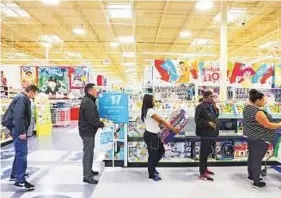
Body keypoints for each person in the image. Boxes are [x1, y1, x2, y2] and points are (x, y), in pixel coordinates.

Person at [243, 89, 281, 188]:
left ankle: (251, 176)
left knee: (252, 158)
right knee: (257, 160)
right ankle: (256, 182)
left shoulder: (247, 108)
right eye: (263, 100)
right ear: (257, 100)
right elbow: (267, 125)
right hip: (260, 138)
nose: (265, 102)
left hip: (251, 136)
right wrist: (279, 125)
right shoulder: (258, 112)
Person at [3, 85, 38, 190]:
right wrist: (22, 131)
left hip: (16, 128)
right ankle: (20, 181)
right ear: (31, 91)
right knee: (22, 153)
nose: (34, 95)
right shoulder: (22, 98)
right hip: (18, 129)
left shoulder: (22, 98)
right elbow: (19, 116)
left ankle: (15, 174)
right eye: (34, 93)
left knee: (19, 153)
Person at [141, 94, 180, 181]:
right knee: (153, 155)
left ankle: (152, 168)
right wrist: (172, 128)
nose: (154, 102)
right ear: (149, 101)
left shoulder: (147, 110)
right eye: (153, 100)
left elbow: (157, 122)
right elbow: (161, 121)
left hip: (153, 135)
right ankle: (151, 173)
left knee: (160, 151)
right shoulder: (150, 110)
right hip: (152, 136)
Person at [79, 83, 104, 184]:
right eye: (95, 89)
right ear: (90, 91)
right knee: (88, 153)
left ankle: (88, 171)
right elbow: (91, 119)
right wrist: (102, 124)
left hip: (88, 130)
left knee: (90, 152)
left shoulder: (89, 100)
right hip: (87, 131)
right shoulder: (88, 102)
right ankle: (87, 176)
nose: (96, 91)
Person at [195, 91, 219, 181]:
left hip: (211, 133)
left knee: (207, 152)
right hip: (205, 133)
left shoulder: (211, 106)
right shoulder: (200, 107)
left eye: (213, 97)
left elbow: (216, 116)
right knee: (203, 153)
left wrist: (216, 108)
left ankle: (205, 168)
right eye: (210, 97)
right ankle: (202, 173)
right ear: (205, 97)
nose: (212, 98)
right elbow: (197, 120)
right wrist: (208, 123)